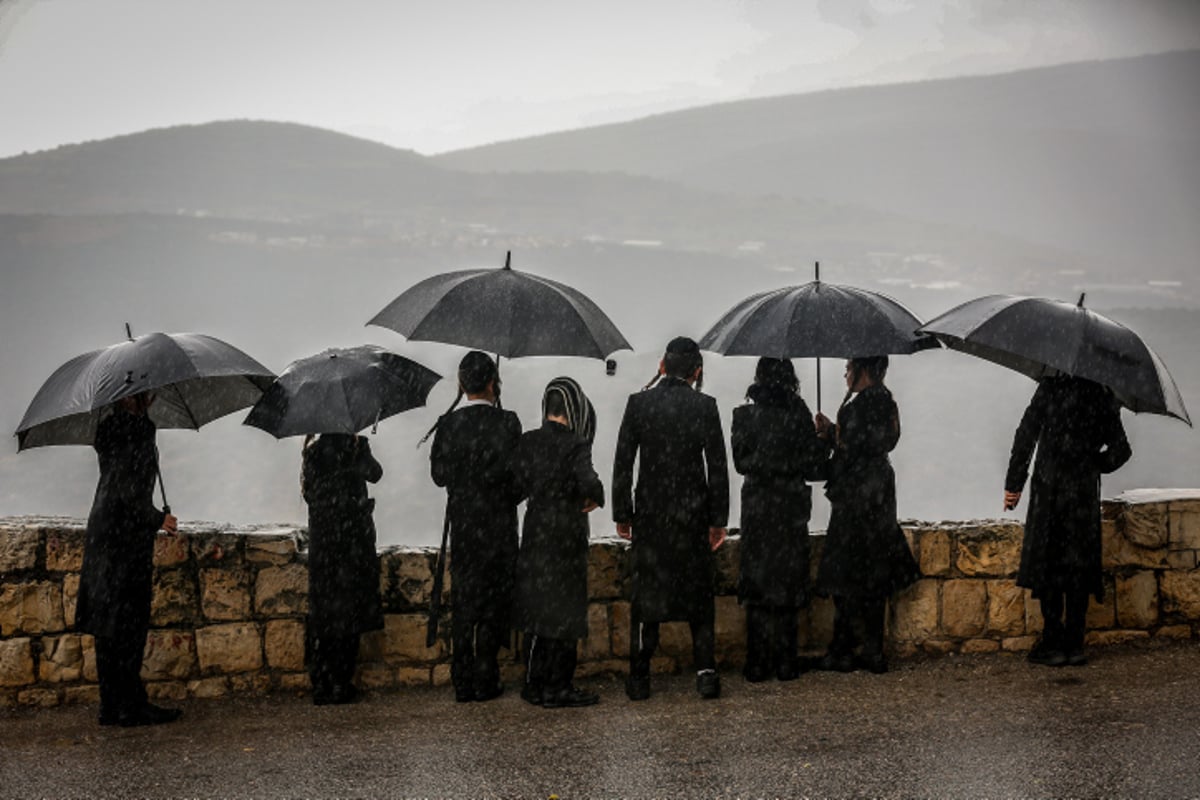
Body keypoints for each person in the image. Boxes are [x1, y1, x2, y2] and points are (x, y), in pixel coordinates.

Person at [613, 336, 729, 701]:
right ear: (696, 373)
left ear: (662, 366)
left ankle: (639, 675)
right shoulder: (705, 407)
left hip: (650, 515)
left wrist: (622, 513)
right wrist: (718, 519)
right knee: (698, 594)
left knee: (647, 595)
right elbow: (718, 470)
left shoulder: (638, 404)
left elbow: (623, 463)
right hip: (692, 517)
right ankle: (706, 672)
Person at [1004, 375, 1131, 667]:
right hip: (1082, 495)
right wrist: (1092, 464)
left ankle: (1052, 641)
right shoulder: (1103, 393)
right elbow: (1121, 450)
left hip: (1050, 489)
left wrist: (1014, 485)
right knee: (1078, 563)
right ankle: (1075, 643)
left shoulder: (1050, 386)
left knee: (1049, 562)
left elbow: (1026, 435)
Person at [74, 392, 181, 727]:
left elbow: (119, 484)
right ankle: (130, 704)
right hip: (124, 538)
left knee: (109, 622)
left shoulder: (109, 428)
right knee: (129, 621)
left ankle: (112, 703)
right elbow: (126, 487)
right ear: (132, 397)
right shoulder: (134, 430)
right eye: (147, 393)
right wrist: (155, 518)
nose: (154, 396)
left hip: (105, 531)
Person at [813, 356, 919, 674]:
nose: (845, 375)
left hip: (855, 497)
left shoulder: (858, 407)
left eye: (849, 369)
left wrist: (830, 434)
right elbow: (872, 442)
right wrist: (836, 431)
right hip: (880, 495)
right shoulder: (888, 404)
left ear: (864, 371)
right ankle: (873, 649)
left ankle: (842, 648)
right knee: (875, 574)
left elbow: (852, 446)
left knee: (845, 575)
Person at [430, 351, 522, 702]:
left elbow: (439, 477)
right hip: (499, 526)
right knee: (493, 602)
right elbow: (519, 479)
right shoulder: (508, 422)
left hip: (464, 526)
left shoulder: (448, 423)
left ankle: (462, 677)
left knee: (466, 601)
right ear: (492, 383)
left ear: (462, 384)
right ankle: (486, 673)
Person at [512, 377, 605, 709]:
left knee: (537, 608)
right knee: (565, 610)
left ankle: (534, 684)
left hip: (537, 531)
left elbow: (515, 488)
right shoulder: (576, 444)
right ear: (573, 408)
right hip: (566, 533)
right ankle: (559, 686)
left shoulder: (527, 441)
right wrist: (596, 496)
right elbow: (589, 482)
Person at [732, 357, 826, 682]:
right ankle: (786, 660)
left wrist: (767, 459)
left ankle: (757, 661)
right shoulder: (798, 415)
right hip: (790, 506)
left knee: (757, 580)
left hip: (758, 505)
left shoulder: (743, 416)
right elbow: (815, 467)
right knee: (788, 579)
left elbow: (742, 463)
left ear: (758, 377)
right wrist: (821, 441)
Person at [301, 433, 385, 704]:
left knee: (324, 611)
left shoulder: (312, 452)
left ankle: (322, 682)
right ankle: (341, 681)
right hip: (352, 542)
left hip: (324, 542)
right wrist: (358, 452)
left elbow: (309, 494)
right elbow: (375, 474)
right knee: (350, 609)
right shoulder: (355, 445)